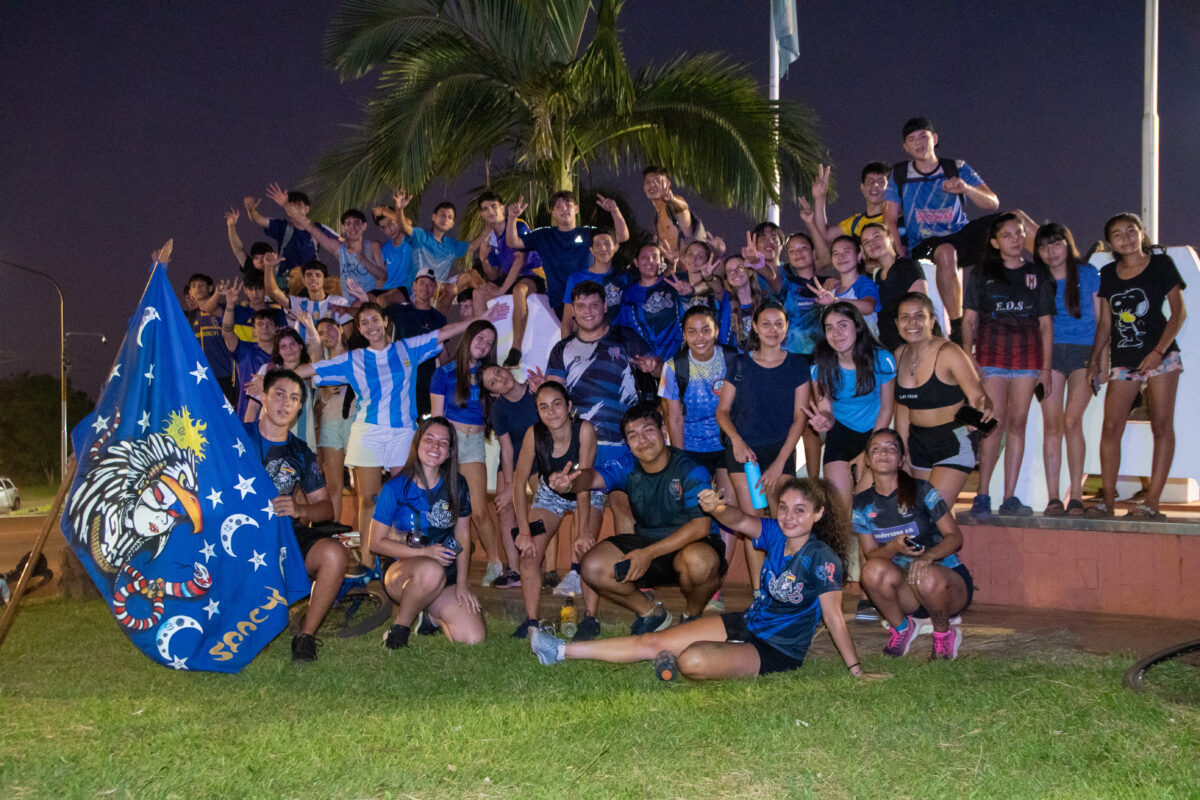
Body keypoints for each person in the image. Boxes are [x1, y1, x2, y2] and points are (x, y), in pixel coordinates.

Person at [530, 477, 886, 683]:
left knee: (692, 663)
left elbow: (834, 617)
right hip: (746, 622)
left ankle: (697, 655)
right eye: (784, 508)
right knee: (657, 641)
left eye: (800, 510)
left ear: (818, 514)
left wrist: (856, 670)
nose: (789, 517)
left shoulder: (823, 559)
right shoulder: (775, 533)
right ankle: (558, 650)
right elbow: (740, 519)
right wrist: (716, 507)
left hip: (776, 650)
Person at [295, 300, 508, 566]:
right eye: (364, 323)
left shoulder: (407, 348)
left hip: (403, 434)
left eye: (375, 320)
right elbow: (311, 370)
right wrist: (275, 379)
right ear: (359, 329)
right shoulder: (355, 359)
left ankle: (404, 559)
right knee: (368, 500)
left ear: (385, 322)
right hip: (368, 433)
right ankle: (367, 563)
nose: (370, 326)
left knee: (407, 498)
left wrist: (479, 317)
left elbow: (446, 332)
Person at [555, 404, 727, 632]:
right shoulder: (627, 467)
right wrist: (570, 483)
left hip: (691, 544)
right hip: (648, 541)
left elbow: (701, 527)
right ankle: (652, 613)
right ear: (627, 443)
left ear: (663, 431)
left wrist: (646, 554)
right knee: (592, 566)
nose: (642, 440)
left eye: (648, 430)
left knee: (701, 562)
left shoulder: (690, 468)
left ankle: (691, 617)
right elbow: (592, 478)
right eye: (633, 436)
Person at [1087, 213, 1186, 520]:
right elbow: (1106, 323)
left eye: (1131, 230)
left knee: (1161, 425)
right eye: (1118, 234)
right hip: (1125, 359)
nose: (1126, 237)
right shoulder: (1108, 273)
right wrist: (1095, 360)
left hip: (1161, 357)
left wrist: (1158, 352)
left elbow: (1178, 313)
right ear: (1112, 243)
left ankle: (1152, 502)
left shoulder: (1161, 265)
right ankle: (1107, 500)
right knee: (1111, 427)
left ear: (1141, 233)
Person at [546, 280, 658, 537]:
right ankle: (577, 573)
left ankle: (629, 569)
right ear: (572, 310)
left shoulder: (626, 337)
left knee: (624, 508)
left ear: (605, 306)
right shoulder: (562, 349)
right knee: (582, 508)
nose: (588, 311)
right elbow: (553, 396)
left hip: (622, 444)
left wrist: (655, 365)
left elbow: (660, 369)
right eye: (581, 306)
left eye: (594, 305)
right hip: (581, 445)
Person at [248, 368, 346, 663]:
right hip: (240, 538)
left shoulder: (301, 452)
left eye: (293, 398)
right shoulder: (235, 439)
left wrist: (299, 509)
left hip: (285, 534)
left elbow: (325, 507)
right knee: (253, 644)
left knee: (335, 555)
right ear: (263, 396)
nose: (285, 403)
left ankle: (305, 635)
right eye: (278, 394)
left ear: (299, 408)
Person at [716, 301, 811, 593]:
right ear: (755, 328)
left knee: (786, 521)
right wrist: (737, 441)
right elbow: (722, 411)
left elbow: (800, 418)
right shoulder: (741, 364)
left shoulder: (797, 364)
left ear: (786, 328)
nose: (773, 330)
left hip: (780, 454)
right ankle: (761, 593)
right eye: (766, 324)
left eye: (779, 324)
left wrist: (780, 463)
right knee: (753, 524)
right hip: (746, 456)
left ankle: (786, 588)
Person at [963, 213, 1054, 517]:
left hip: (1028, 360)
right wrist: (968, 359)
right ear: (995, 242)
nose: (1016, 239)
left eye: (1019, 233)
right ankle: (982, 494)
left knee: (1018, 424)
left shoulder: (1036, 275)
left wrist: (1045, 368)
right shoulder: (980, 274)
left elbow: (1045, 324)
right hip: (991, 358)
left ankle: (1010, 497)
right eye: (1007, 235)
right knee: (992, 425)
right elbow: (970, 319)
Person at [853, 429, 972, 660]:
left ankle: (944, 634)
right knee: (871, 570)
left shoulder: (922, 490)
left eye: (891, 448)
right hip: (907, 591)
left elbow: (955, 537)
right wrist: (894, 548)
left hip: (947, 584)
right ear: (867, 460)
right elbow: (871, 553)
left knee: (925, 574)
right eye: (876, 449)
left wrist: (928, 557)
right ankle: (902, 628)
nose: (884, 453)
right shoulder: (862, 503)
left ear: (901, 459)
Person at [368, 417, 484, 649]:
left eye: (443, 443)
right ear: (417, 443)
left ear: (449, 452)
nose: (435, 447)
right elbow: (375, 543)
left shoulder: (457, 484)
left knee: (473, 638)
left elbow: (462, 535)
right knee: (430, 570)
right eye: (429, 439)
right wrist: (428, 553)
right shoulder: (395, 487)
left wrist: (462, 583)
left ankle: (429, 616)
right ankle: (400, 628)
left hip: (445, 577)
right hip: (402, 574)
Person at [883, 117, 999, 342]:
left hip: (960, 234)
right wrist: (899, 250)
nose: (919, 143)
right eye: (911, 139)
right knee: (946, 252)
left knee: (1013, 219)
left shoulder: (955, 168)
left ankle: (1052, 270)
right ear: (905, 147)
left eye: (923, 137)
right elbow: (889, 218)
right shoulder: (899, 174)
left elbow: (992, 202)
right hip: (926, 242)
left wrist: (965, 188)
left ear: (934, 139)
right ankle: (957, 326)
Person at [509, 382, 606, 639]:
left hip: (586, 491)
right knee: (528, 553)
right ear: (538, 412)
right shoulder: (534, 434)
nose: (551, 412)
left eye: (557, 405)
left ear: (569, 406)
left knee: (586, 550)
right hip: (551, 495)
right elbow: (518, 483)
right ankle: (532, 622)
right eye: (544, 407)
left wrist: (583, 531)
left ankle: (591, 618)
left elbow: (584, 483)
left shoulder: (584, 430)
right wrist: (524, 531)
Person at [431, 320, 517, 586]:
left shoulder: (489, 374)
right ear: (468, 336)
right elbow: (436, 417)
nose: (484, 345)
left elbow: (511, 395)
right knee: (451, 509)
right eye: (480, 338)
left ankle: (495, 563)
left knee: (479, 510)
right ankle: (447, 566)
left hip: (476, 443)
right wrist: (440, 451)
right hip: (450, 443)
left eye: (490, 342)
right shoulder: (443, 373)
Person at [893, 292, 993, 512]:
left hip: (951, 443)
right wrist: (903, 449)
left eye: (920, 316)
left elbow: (979, 395)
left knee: (932, 514)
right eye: (905, 317)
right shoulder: (899, 355)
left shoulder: (949, 352)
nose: (912, 323)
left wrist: (981, 410)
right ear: (897, 323)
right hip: (918, 445)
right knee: (924, 516)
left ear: (932, 321)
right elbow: (901, 407)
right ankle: (950, 547)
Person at [1035, 223, 1101, 516]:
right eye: (1044, 246)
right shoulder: (1036, 279)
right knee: (1052, 426)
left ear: (1068, 243)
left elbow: (1103, 320)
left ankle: (1076, 494)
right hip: (1048, 356)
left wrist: (1102, 358)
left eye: (1056, 243)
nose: (1051, 251)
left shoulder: (1086, 274)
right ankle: (1052, 497)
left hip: (1083, 353)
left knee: (1073, 421)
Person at [507, 191, 630, 318]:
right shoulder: (543, 235)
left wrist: (615, 211)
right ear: (553, 213)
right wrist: (512, 218)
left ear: (576, 209)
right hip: (560, 302)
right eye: (558, 206)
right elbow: (513, 242)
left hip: (589, 300)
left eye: (568, 205)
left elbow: (622, 237)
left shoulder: (588, 232)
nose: (564, 209)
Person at [458, 192, 546, 367]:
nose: (490, 211)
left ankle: (516, 349)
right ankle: (481, 348)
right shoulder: (491, 237)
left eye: (494, 206)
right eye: (485, 209)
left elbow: (520, 261)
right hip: (510, 278)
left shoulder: (517, 226)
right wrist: (483, 259)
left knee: (518, 291)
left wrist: (501, 290)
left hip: (532, 274)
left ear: (502, 208)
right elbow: (493, 276)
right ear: (482, 214)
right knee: (478, 293)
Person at [481, 363, 539, 588]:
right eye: (493, 383)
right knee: (505, 510)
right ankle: (515, 572)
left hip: (537, 462)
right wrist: (508, 488)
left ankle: (541, 567)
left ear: (507, 370)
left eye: (498, 372)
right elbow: (506, 449)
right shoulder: (498, 408)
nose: (499, 379)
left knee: (541, 507)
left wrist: (513, 488)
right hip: (511, 464)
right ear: (494, 392)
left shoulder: (535, 391)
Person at [385, 267, 449, 418]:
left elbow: (444, 353)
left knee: (422, 424)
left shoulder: (439, 318)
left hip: (425, 382)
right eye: (422, 283)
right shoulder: (398, 311)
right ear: (414, 285)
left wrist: (451, 378)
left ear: (434, 289)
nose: (425, 288)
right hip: (400, 379)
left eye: (430, 284)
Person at [283, 203, 387, 293]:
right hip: (349, 306)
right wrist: (285, 204)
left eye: (356, 223)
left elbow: (383, 276)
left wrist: (363, 259)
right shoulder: (339, 249)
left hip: (371, 305)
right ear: (343, 228)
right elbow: (310, 226)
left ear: (364, 226)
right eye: (348, 224)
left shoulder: (372, 246)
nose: (352, 228)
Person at [616, 243, 692, 362]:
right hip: (644, 364)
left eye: (655, 257)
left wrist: (688, 293)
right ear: (636, 262)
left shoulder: (674, 285)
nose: (649, 261)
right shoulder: (628, 293)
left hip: (677, 360)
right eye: (644, 257)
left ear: (662, 262)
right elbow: (626, 330)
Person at [314, 316, 356, 526]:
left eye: (330, 328)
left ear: (340, 329)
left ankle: (365, 537)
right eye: (321, 332)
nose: (327, 334)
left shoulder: (357, 357)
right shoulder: (319, 366)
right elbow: (315, 406)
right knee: (333, 486)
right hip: (330, 426)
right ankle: (331, 531)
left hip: (356, 424)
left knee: (363, 487)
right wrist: (325, 394)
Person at [860, 222, 927, 351]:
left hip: (912, 344)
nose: (872, 244)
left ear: (890, 237)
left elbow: (921, 307)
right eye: (866, 242)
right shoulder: (876, 276)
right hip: (889, 346)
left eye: (877, 237)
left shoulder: (907, 266)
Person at [560, 228, 628, 336]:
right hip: (586, 341)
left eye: (607, 244)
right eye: (597, 245)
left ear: (615, 247)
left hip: (616, 342)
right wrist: (564, 348)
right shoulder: (576, 279)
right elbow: (567, 320)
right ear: (591, 250)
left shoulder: (624, 277)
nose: (603, 248)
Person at [811, 162, 892, 243]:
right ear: (862, 188)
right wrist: (820, 198)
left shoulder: (895, 220)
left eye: (881, 181)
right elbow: (826, 235)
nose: (875, 185)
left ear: (889, 188)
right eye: (869, 181)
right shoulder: (855, 223)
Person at [643, 165, 704, 254]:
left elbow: (683, 207)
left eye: (657, 181)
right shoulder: (656, 218)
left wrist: (672, 199)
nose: (651, 185)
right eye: (647, 182)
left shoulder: (673, 206)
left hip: (691, 266)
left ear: (667, 183)